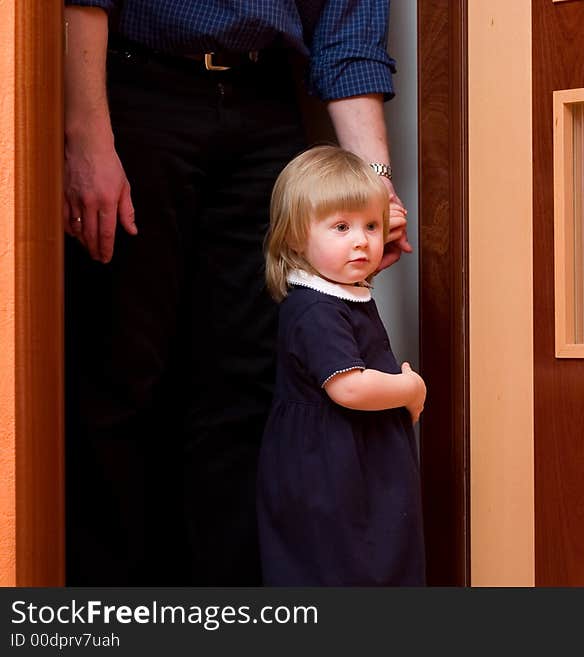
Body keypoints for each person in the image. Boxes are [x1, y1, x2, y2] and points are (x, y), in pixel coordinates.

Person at [62, 1, 410, 585]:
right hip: (133, 87)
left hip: (265, 101)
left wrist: (369, 189)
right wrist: (85, 134)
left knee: (249, 387)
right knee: (120, 372)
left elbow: (348, 31)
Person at [258, 146, 426, 585]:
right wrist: (411, 389)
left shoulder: (340, 291)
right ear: (295, 237)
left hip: (357, 457)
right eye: (341, 227)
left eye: (371, 226)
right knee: (342, 565)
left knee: (377, 557)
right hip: (332, 467)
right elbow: (348, 387)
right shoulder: (317, 309)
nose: (361, 240)